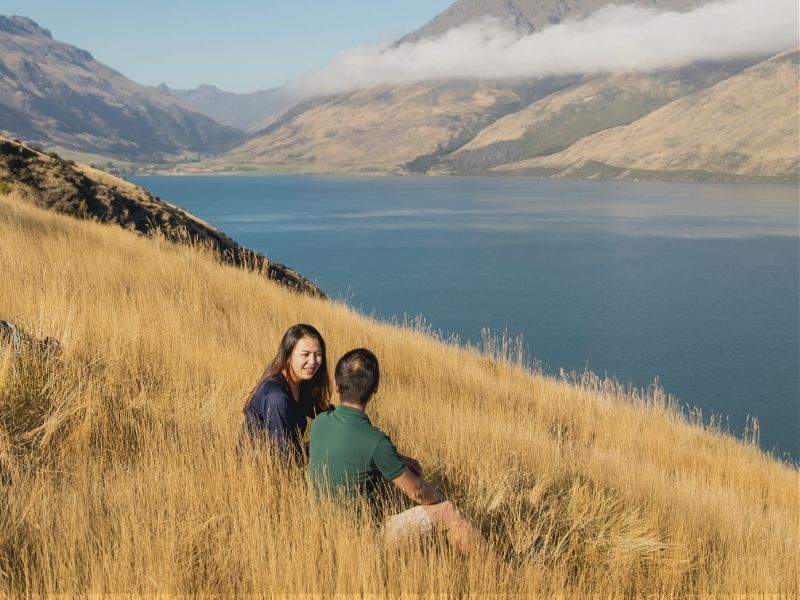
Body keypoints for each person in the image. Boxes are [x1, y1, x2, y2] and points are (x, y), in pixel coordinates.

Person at [309, 348, 486, 552]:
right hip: (361, 539)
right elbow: (418, 491)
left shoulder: (320, 422)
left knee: (386, 480)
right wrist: (440, 500)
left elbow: (352, 451)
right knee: (446, 511)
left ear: (336, 385)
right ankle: (501, 572)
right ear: (375, 387)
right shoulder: (375, 440)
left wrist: (400, 460)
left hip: (322, 532)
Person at [241, 323, 332, 462]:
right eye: (305, 354)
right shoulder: (276, 398)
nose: (313, 361)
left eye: (317, 355)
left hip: (287, 458)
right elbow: (281, 457)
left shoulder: (301, 383)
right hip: (262, 470)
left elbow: (324, 412)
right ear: (288, 356)